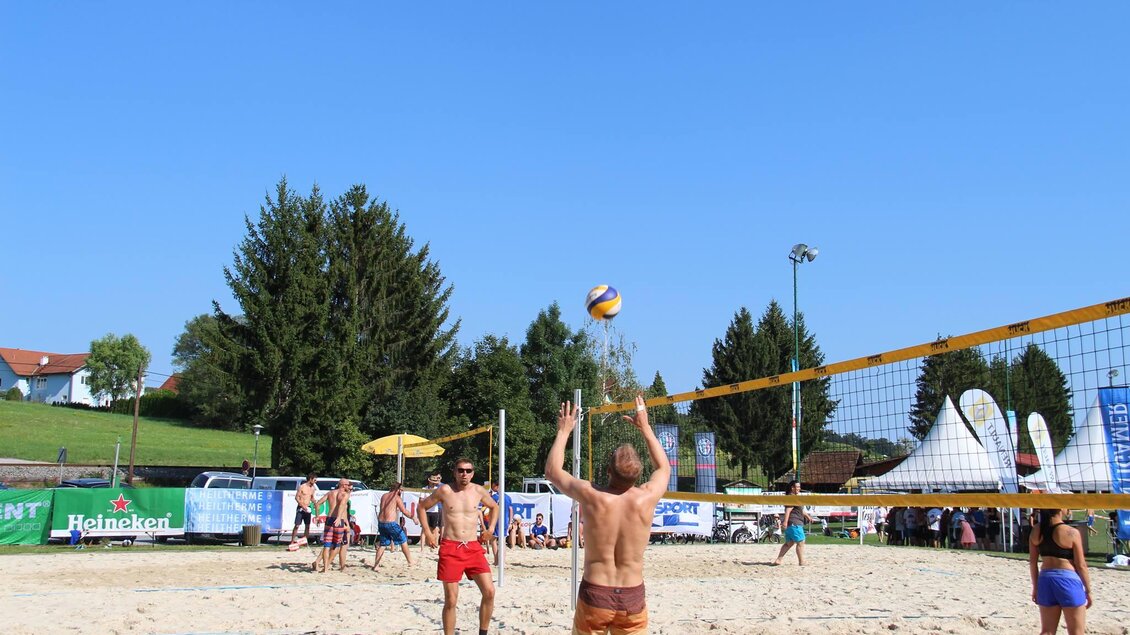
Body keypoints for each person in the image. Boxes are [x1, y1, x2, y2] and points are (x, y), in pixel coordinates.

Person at [545, 396, 670, 635]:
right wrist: (645, 428)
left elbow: (552, 471)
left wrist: (564, 430)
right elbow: (664, 467)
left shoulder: (593, 495)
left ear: (608, 471)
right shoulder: (647, 497)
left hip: (596, 592)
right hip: (632, 595)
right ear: (638, 474)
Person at [417, 458, 499, 635]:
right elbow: (422, 507)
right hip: (451, 547)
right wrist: (428, 533)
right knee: (451, 600)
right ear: (454, 472)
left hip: (472, 547)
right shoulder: (445, 490)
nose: (464, 474)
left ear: (473, 473)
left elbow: (494, 507)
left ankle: (483, 632)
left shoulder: (478, 490)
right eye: (461, 470)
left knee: (490, 591)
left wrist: (490, 529)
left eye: (468, 471)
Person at [1029, 508, 1092, 634]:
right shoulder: (1071, 532)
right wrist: (1088, 590)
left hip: (1045, 580)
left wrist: (1036, 587)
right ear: (1060, 509)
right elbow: (1081, 565)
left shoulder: (1036, 530)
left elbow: (1033, 562)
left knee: (1047, 631)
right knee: (1076, 632)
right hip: (1068, 580)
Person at [372, 482, 414, 570]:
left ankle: (376, 565)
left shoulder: (384, 496)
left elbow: (386, 508)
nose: (401, 492)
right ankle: (410, 561)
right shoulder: (396, 497)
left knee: (383, 544)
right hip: (390, 523)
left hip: (381, 522)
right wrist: (413, 517)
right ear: (398, 489)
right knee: (403, 540)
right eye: (401, 490)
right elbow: (404, 511)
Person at [312, 479, 352, 572]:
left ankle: (325, 568)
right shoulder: (344, 495)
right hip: (338, 520)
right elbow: (342, 506)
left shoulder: (330, 493)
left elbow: (317, 503)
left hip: (329, 519)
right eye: (348, 485)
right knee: (336, 546)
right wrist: (339, 518)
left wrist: (317, 517)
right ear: (344, 485)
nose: (349, 487)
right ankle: (327, 565)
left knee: (327, 545)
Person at [772, 480, 812, 565]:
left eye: (799, 487)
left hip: (792, 524)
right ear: (792, 488)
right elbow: (788, 510)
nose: (799, 488)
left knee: (789, 543)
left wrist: (807, 516)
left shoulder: (794, 497)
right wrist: (785, 522)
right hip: (795, 523)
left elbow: (800, 510)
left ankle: (778, 560)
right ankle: (801, 562)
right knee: (801, 542)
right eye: (797, 487)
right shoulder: (791, 497)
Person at [289, 473, 317, 547]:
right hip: (301, 508)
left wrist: (314, 501)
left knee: (307, 525)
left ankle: (305, 541)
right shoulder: (302, 487)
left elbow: (311, 497)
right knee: (297, 525)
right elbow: (297, 497)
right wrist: (302, 505)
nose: (315, 481)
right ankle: (292, 541)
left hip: (308, 508)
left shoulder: (313, 488)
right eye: (314, 480)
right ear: (310, 479)